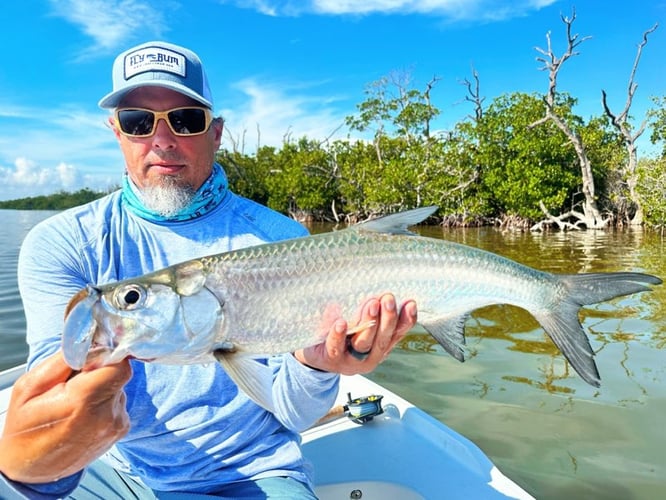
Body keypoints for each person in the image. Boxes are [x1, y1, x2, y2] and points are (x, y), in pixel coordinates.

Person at [0, 41, 417, 499]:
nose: (162, 139)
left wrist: (316, 366)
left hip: (250, 472)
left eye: (185, 119)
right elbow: (50, 396)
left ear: (215, 133)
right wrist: (40, 460)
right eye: (138, 121)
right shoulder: (62, 243)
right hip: (110, 467)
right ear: (116, 133)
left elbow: (292, 415)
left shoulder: (281, 239)